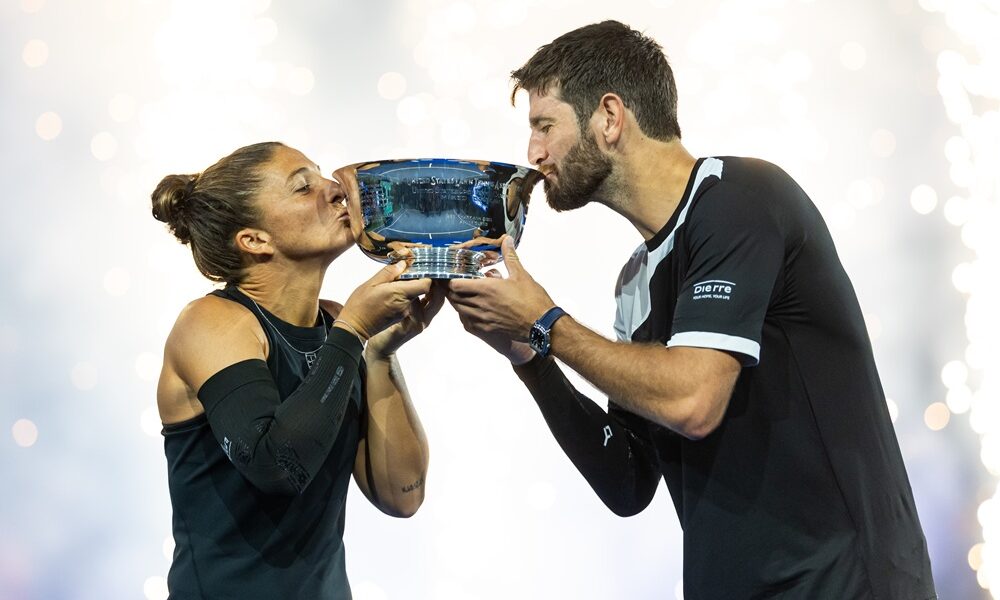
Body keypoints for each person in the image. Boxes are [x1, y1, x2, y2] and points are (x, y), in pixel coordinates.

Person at [446, 21, 936, 599]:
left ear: (609, 116)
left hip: (844, 586)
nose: (533, 153)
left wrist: (546, 322)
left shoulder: (741, 197)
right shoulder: (634, 281)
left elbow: (693, 400)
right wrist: (529, 354)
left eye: (544, 125)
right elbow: (627, 481)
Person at [151, 141, 442, 599]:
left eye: (323, 176)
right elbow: (277, 467)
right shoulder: (210, 324)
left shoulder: (337, 326)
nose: (334, 189)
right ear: (254, 239)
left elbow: (402, 496)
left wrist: (380, 353)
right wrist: (353, 332)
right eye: (303, 187)